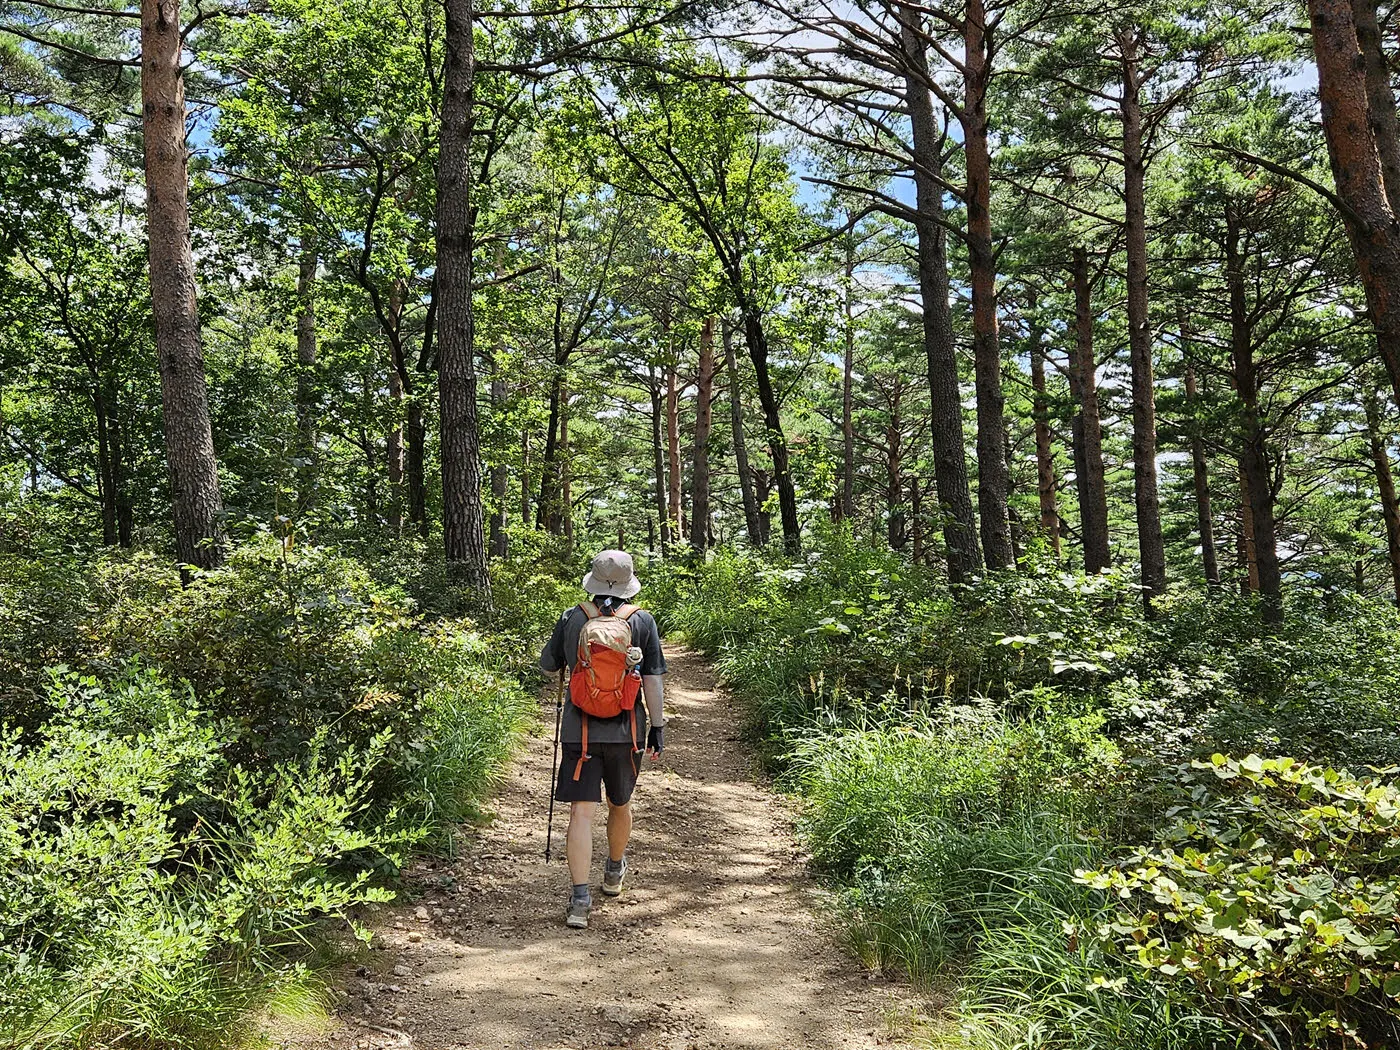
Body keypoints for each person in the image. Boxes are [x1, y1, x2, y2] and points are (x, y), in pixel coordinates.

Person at [540, 549, 667, 929]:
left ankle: (580, 900)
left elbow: (548, 667)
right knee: (620, 802)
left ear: (592, 581)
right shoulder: (641, 620)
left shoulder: (572, 617)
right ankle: (613, 871)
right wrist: (657, 728)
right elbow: (653, 681)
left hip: (579, 732)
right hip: (627, 732)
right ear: (628, 584)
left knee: (581, 811)